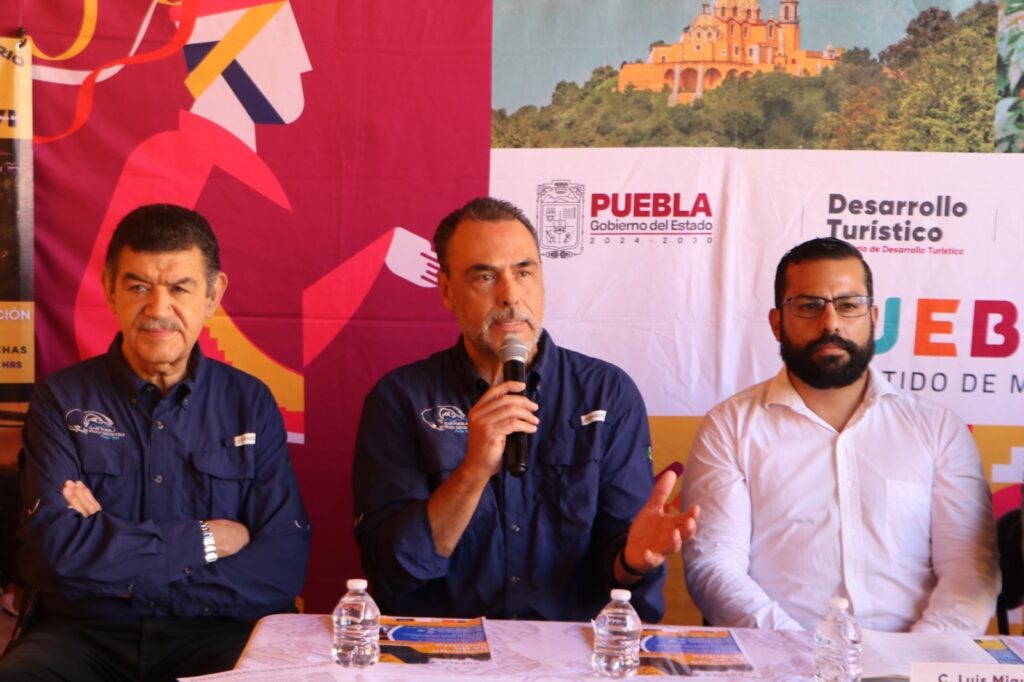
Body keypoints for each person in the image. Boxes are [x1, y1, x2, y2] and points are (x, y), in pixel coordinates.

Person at [0, 204, 311, 681]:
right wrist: (209, 540)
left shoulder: (250, 402)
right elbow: (58, 554)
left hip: (217, 632)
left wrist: (119, 566)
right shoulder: (61, 400)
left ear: (213, 294)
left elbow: (280, 566)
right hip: (82, 633)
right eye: (138, 287)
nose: (159, 311)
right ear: (110, 289)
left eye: (180, 288)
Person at [353, 197, 699, 622]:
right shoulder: (400, 398)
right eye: (485, 276)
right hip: (439, 644)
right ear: (446, 290)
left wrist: (632, 561)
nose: (510, 296)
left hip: (571, 649)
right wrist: (473, 472)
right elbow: (392, 572)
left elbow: (620, 577)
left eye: (523, 272)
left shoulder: (607, 394)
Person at [680, 237, 998, 633]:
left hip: (916, 656)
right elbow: (714, 566)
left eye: (848, 305)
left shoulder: (937, 429)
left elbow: (971, 571)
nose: (830, 323)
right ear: (777, 323)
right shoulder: (730, 427)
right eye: (808, 305)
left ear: (874, 318)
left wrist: (916, 656)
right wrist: (802, 654)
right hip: (777, 656)